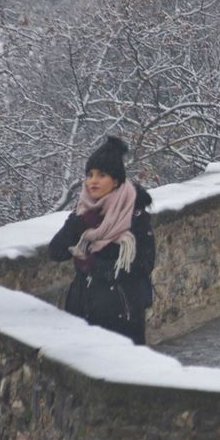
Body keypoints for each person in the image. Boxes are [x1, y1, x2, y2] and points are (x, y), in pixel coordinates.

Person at [48, 136, 155, 344]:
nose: (93, 181)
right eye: (90, 175)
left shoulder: (134, 215)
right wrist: (79, 224)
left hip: (121, 316)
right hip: (81, 312)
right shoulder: (83, 212)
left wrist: (94, 265)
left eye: (101, 175)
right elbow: (56, 252)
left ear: (115, 180)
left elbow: (144, 264)